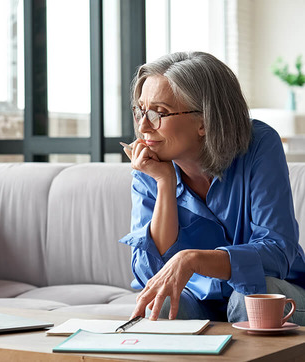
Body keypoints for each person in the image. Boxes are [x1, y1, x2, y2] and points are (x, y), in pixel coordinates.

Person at [119, 51, 305, 325]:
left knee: (248, 296)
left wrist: (194, 260)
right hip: (199, 299)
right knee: (162, 304)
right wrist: (165, 184)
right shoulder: (150, 165)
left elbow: (277, 252)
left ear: (204, 121)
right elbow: (151, 274)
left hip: (275, 292)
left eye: (159, 112)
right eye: (140, 111)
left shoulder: (260, 145)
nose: (144, 126)